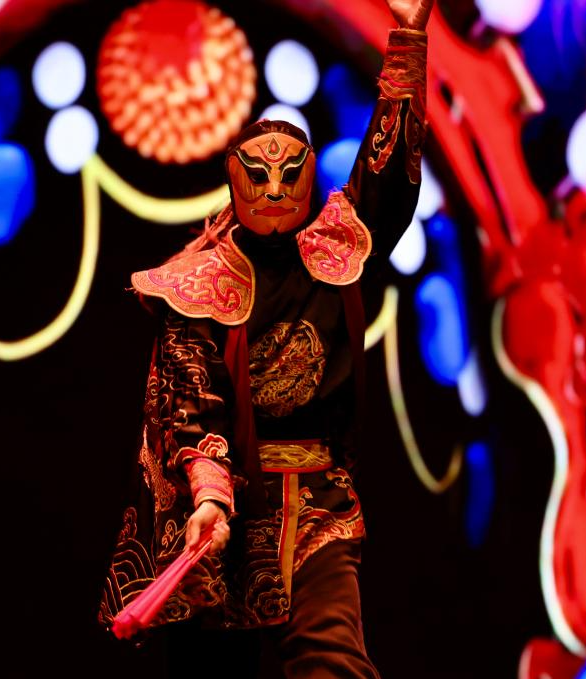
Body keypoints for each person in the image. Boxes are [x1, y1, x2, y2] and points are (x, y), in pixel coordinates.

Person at [100, 1, 432, 676]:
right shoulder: (197, 283)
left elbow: (386, 181)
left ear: (309, 172)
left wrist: (406, 41)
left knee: (333, 662)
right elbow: (189, 404)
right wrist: (209, 495)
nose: (275, 187)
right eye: (260, 173)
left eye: (289, 172)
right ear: (234, 174)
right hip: (226, 514)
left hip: (320, 507)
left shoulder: (337, 246)